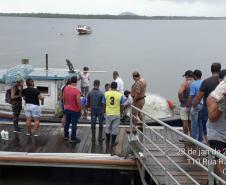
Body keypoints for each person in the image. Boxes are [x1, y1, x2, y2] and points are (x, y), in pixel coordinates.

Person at [193, 62, 221, 144]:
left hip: (207, 110)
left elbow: (198, 98)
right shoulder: (223, 83)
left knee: (207, 131)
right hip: (221, 109)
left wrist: (194, 105)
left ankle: (209, 148)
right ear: (219, 70)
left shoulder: (206, 82)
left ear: (211, 70)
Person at [206, 69, 226, 181]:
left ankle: (211, 180)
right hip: (216, 133)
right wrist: (223, 104)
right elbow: (212, 118)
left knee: (218, 163)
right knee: (221, 161)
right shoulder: (213, 96)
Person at [102, 82, 125, 152]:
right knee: (115, 128)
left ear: (111, 87)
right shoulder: (120, 95)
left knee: (108, 127)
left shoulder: (106, 94)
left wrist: (104, 111)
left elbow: (103, 103)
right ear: (116, 87)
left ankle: (108, 141)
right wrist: (121, 112)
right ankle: (113, 142)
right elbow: (122, 105)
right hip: (116, 113)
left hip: (108, 113)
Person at [63, 76, 82, 143]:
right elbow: (78, 101)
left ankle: (66, 135)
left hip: (67, 108)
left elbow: (64, 98)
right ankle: (73, 138)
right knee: (74, 124)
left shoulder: (65, 88)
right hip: (74, 110)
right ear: (76, 82)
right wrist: (80, 109)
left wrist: (65, 106)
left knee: (67, 123)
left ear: (71, 81)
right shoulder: (77, 91)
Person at [187, 70, 203, 142]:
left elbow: (191, 96)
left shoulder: (193, 84)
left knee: (194, 124)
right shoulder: (203, 83)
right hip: (203, 105)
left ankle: (193, 140)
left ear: (195, 76)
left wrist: (188, 105)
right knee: (201, 123)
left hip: (196, 105)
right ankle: (200, 140)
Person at [178, 70, 194, 136]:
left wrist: (181, 100)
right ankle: (192, 136)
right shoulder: (195, 82)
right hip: (193, 105)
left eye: (185, 76)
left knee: (185, 121)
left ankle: (185, 136)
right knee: (191, 122)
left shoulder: (185, 83)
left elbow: (180, 92)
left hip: (184, 105)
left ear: (187, 76)